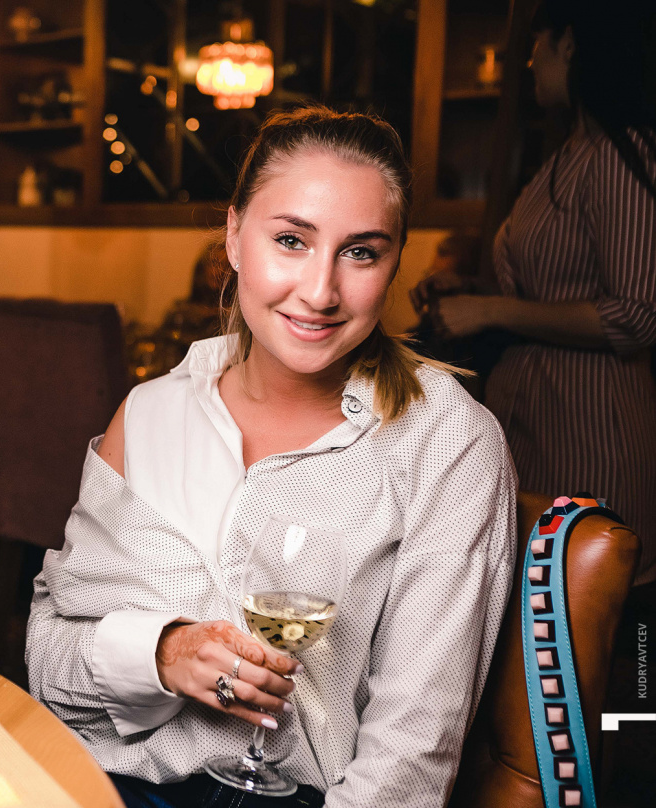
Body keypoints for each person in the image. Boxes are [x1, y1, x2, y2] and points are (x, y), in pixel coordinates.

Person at [26, 105, 517, 808]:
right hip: (98, 782)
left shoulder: (447, 438)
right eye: (291, 240)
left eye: (361, 252)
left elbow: (410, 758)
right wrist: (162, 654)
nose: (320, 292)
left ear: (393, 263)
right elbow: (48, 660)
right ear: (233, 237)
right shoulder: (151, 413)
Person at [416, 0, 656, 585]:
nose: (527, 61)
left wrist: (489, 310)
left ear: (568, 44)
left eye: (535, 43)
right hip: (535, 422)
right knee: (535, 613)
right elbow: (552, 288)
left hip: (590, 429)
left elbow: (635, 315)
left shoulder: (618, 155)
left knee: (580, 616)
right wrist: (469, 291)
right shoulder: (569, 154)